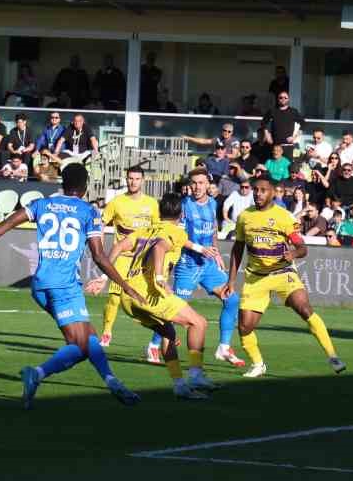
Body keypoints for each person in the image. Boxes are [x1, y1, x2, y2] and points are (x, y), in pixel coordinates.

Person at [0, 165, 142, 409]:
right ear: (84, 187)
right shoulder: (88, 211)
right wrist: (125, 285)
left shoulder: (42, 204)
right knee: (80, 346)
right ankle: (37, 374)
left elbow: (8, 223)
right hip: (64, 285)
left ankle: (113, 382)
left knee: (89, 337)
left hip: (40, 284)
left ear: (63, 182)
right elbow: (99, 256)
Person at [94, 192, 218, 399]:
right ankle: (195, 374)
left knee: (168, 333)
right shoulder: (176, 232)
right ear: (181, 214)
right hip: (150, 292)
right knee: (199, 323)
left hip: (129, 296)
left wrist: (103, 276)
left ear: (159, 211)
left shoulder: (144, 229)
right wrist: (160, 277)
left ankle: (179, 385)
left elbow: (118, 246)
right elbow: (160, 247)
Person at [227, 174, 346, 378]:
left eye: (263, 190)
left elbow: (302, 247)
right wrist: (231, 281)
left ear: (273, 193)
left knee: (304, 308)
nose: (258, 193)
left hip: (283, 272)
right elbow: (237, 249)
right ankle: (258, 364)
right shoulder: (244, 216)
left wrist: (292, 253)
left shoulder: (284, 217)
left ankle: (332, 355)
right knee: (245, 326)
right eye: (256, 189)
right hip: (256, 277)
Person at [145, 168, 247, 368]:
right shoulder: (183, 207)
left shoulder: (212, 203)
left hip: (208, 266)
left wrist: (216, 254)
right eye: (193, 183)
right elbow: (176, 237)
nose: (197, 187)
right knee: (173, 311)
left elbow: (213, 233)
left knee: (232, 298)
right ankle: (153, 345)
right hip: (187, 266)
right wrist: (200, 249)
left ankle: (224, 347)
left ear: (208, 184)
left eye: (201, 183)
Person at [98, 166, 160, 348]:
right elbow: (100, 223)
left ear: (143, 181)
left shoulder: (152, 203)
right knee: (114, 297)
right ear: (126, 179)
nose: (133, 182)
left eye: (136, 178)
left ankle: (160, 335)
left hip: (143, 260)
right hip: (122, 259)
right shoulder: (117, 202)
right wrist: (99, 245)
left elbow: (157, 230)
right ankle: (107, 332)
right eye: (130, 178)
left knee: (147, 300)